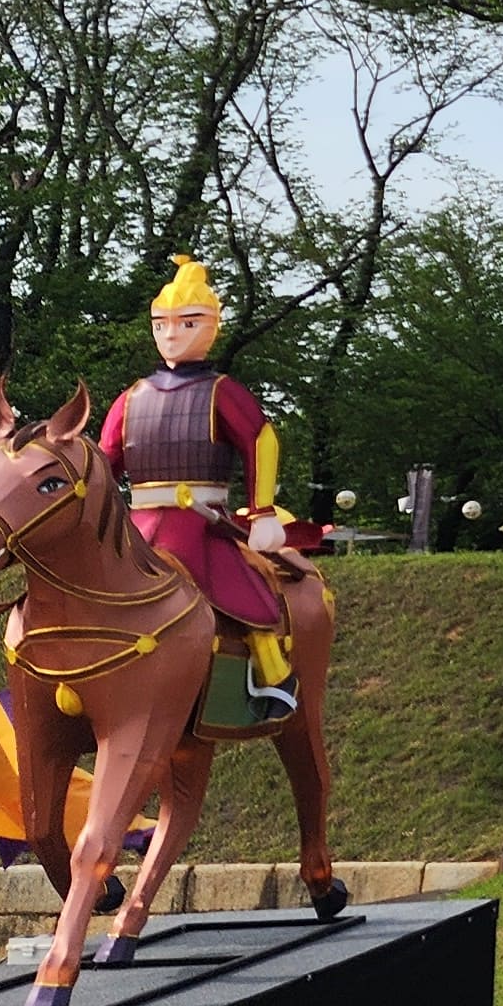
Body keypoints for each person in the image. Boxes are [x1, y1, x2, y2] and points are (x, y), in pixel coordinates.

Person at [100, 256, 298, 722]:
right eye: (162, 323)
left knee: (239, 581)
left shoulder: (222, 391)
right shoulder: (131, 397)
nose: (172, 333)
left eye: (186, 322)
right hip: (136, 521)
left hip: (202, 520)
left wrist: (262, 511)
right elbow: (103, 460)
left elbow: (260, 440)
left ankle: (272, 670)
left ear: (210, 324)